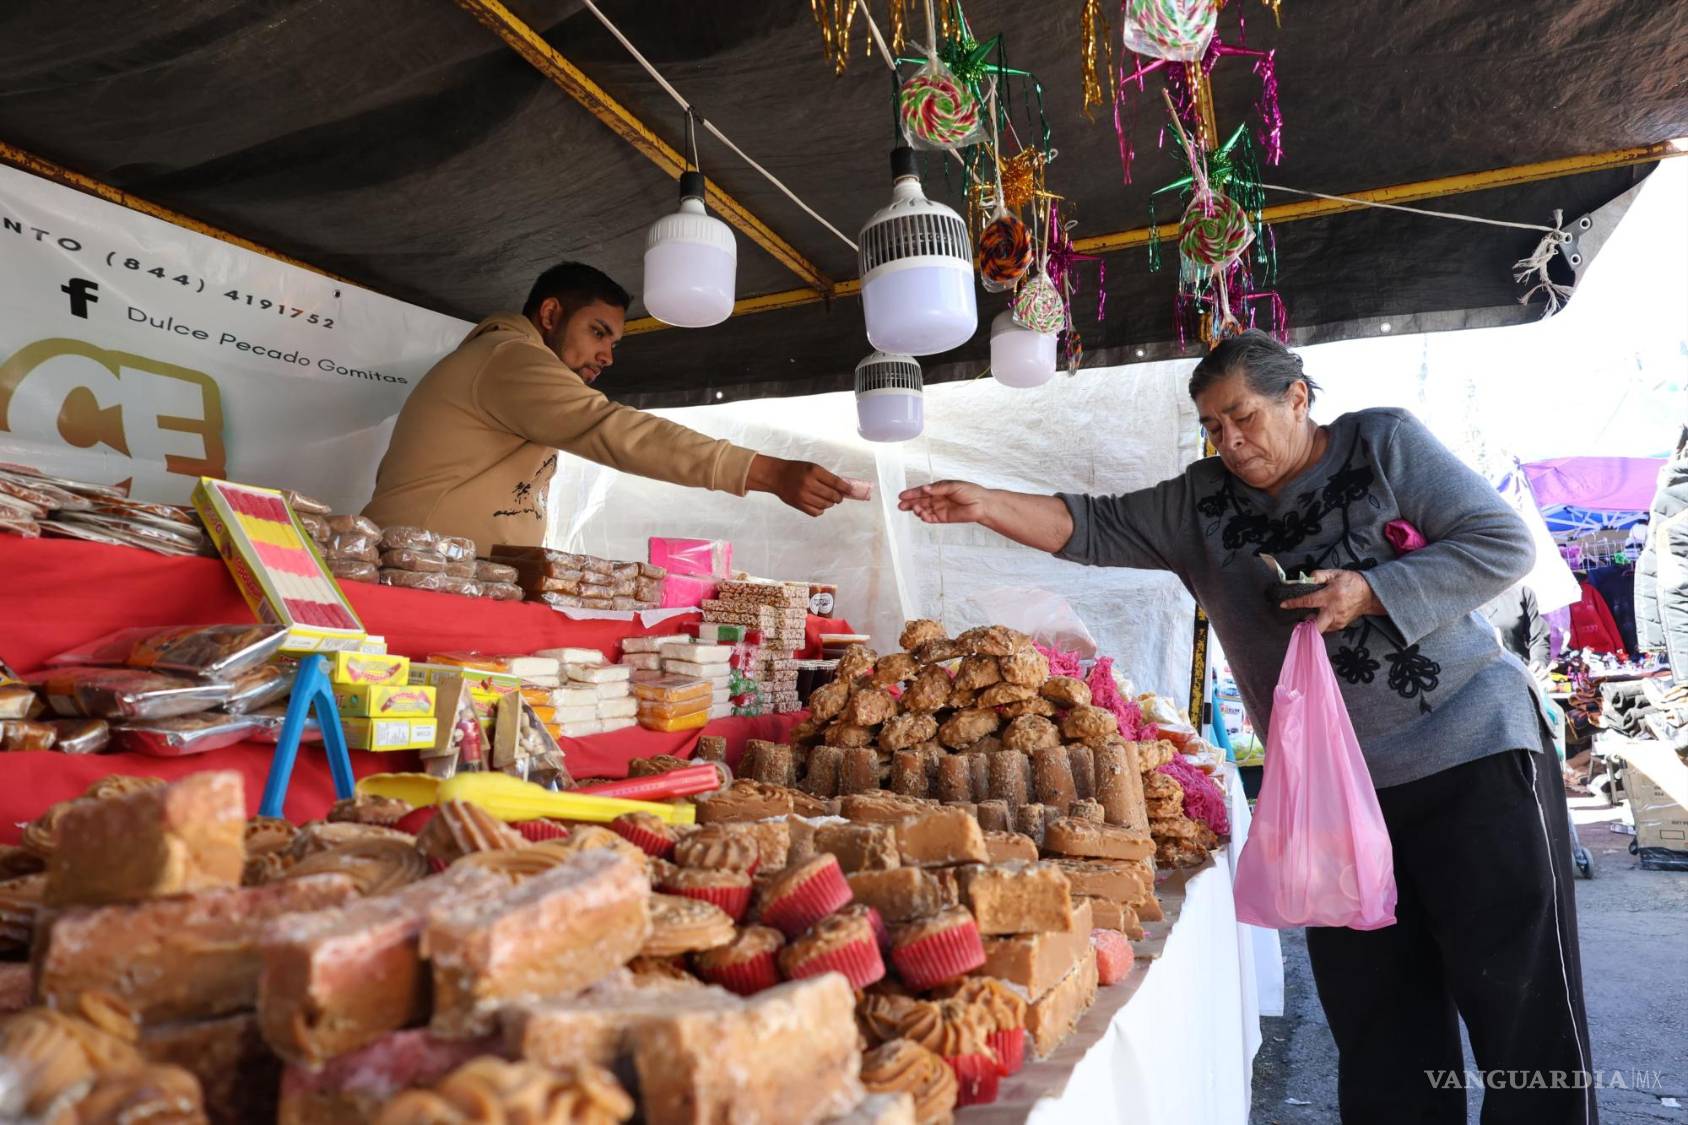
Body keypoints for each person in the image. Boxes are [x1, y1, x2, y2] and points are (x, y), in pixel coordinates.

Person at [900, 329, 1595, 1125]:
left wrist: (1366, 592)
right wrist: (982, 503)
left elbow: (1502, 542)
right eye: (1214, 427)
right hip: (1332, 799)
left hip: (1469, 759)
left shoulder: (1383, 443)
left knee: (1519, 1009)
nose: (1231, 441)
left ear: (1297, 396)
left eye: (1246, 417)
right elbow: (1089, 524)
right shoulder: (1201, 500)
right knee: (1379, 1024)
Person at [365, 262, 861, 547]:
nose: (606, 355)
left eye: (614, 344)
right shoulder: (507, 359)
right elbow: (615, 430)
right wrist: (768, 472)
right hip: (413, 577)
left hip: (457, 583)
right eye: (597, 333)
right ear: (551, 314)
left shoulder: (518, 373)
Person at [1481, 580, 1551, 673]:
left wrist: (1538, 661)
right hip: (1472, 681)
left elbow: (1538, 637)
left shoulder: (1522, 593)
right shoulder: (1459, 597)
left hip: (1519, 675)